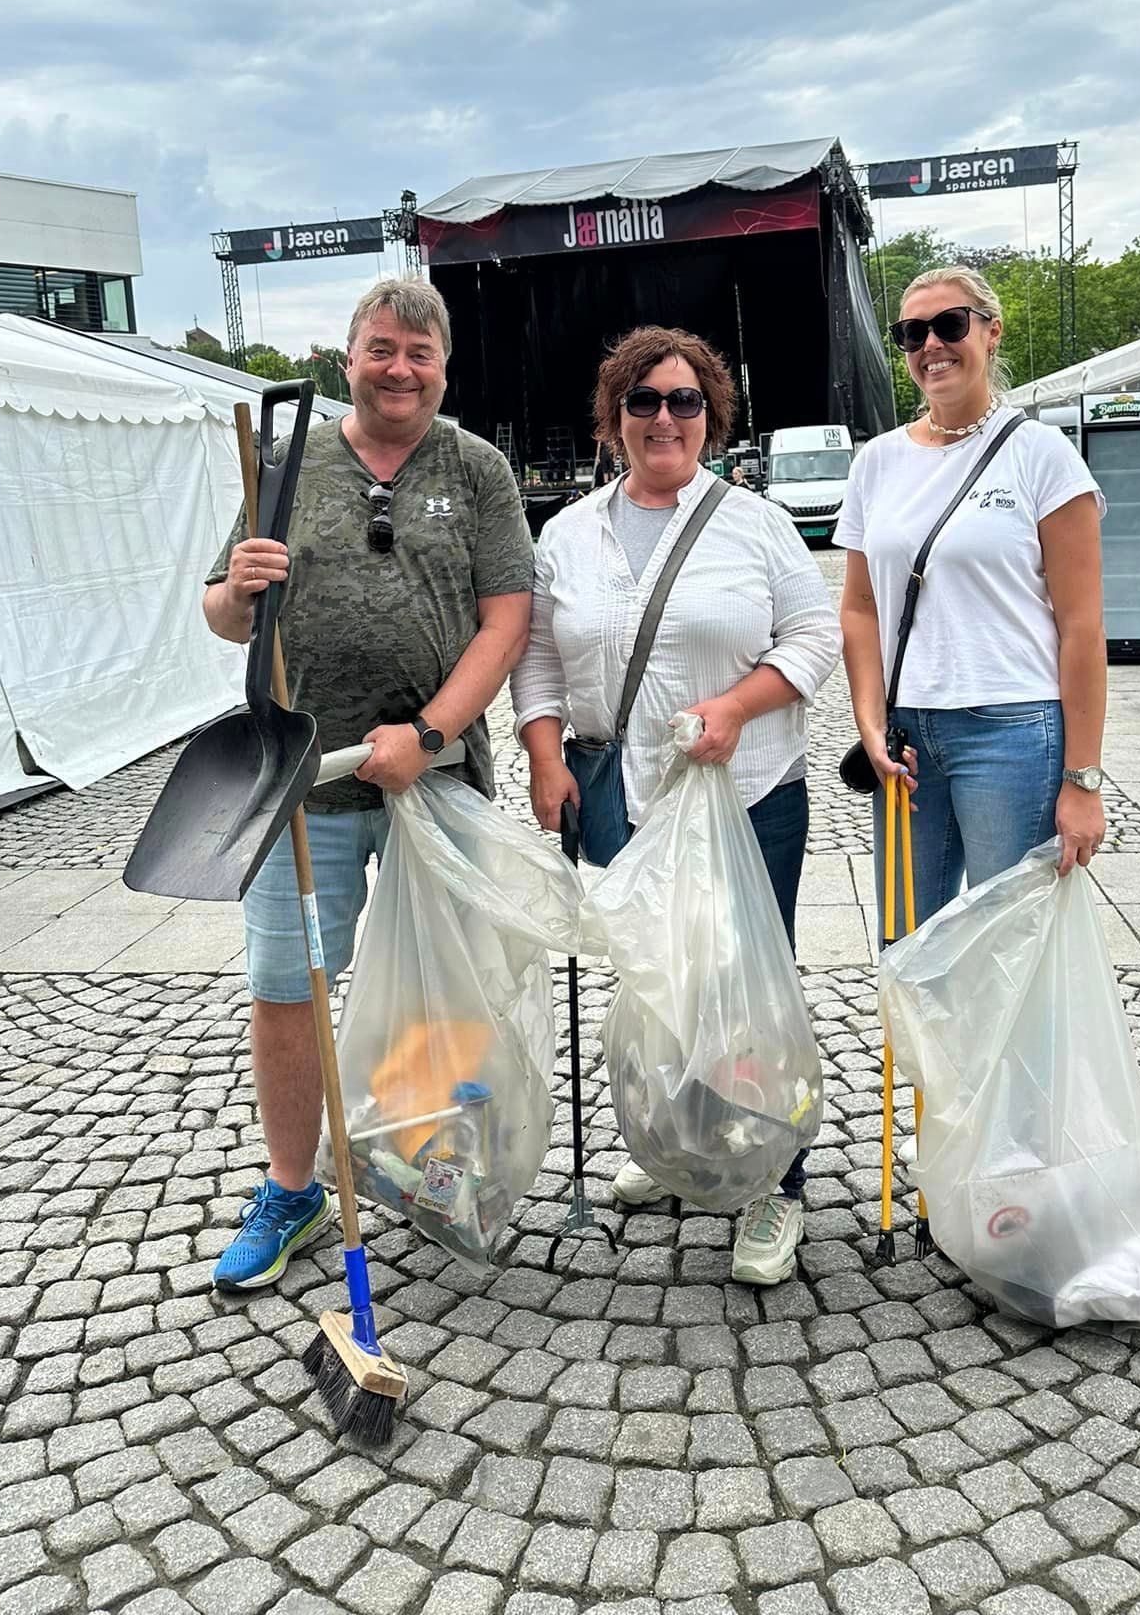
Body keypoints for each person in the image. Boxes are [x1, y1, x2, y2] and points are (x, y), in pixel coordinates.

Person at [203, 277, 533, 1291]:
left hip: (434, 776)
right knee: (288, 985)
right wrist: (237, 588)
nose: (399, 368)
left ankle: (434, 1157)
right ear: (347, 356)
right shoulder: (283, 463)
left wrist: (431, 734)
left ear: (443, 367)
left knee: (447, 978)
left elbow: (506, 620)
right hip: (302, 776)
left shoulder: (477, 469)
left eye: (419, 353)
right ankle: (294, 1187)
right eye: (381, 348)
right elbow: (221, 616)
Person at [511, 325, 840, 1285]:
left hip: (746, 794)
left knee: (747, 987)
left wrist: (738, 705)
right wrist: (542, 756)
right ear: (614, 418)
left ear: (711, 416)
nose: (665, 417)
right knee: (661, 979)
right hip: (619, 794)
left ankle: (774, 1182)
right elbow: (535, 657)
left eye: (684, 400)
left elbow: (815, 634)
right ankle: (685, 1147)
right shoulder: (567, 534)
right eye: (644, 401)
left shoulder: (755, 523)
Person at [837, 266, 1106, 934]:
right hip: (907, 738)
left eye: (950, 325)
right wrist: (871, 727)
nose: (931, 344)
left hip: (1012, 730)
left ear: (990, 332)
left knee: (1004, 945)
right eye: (912, 333)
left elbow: (1082, 626)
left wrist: (1084, 780)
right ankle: (924, 1049)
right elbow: (861, 608)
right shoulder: (877, 461)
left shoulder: (1041, 456)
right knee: (905, 942)